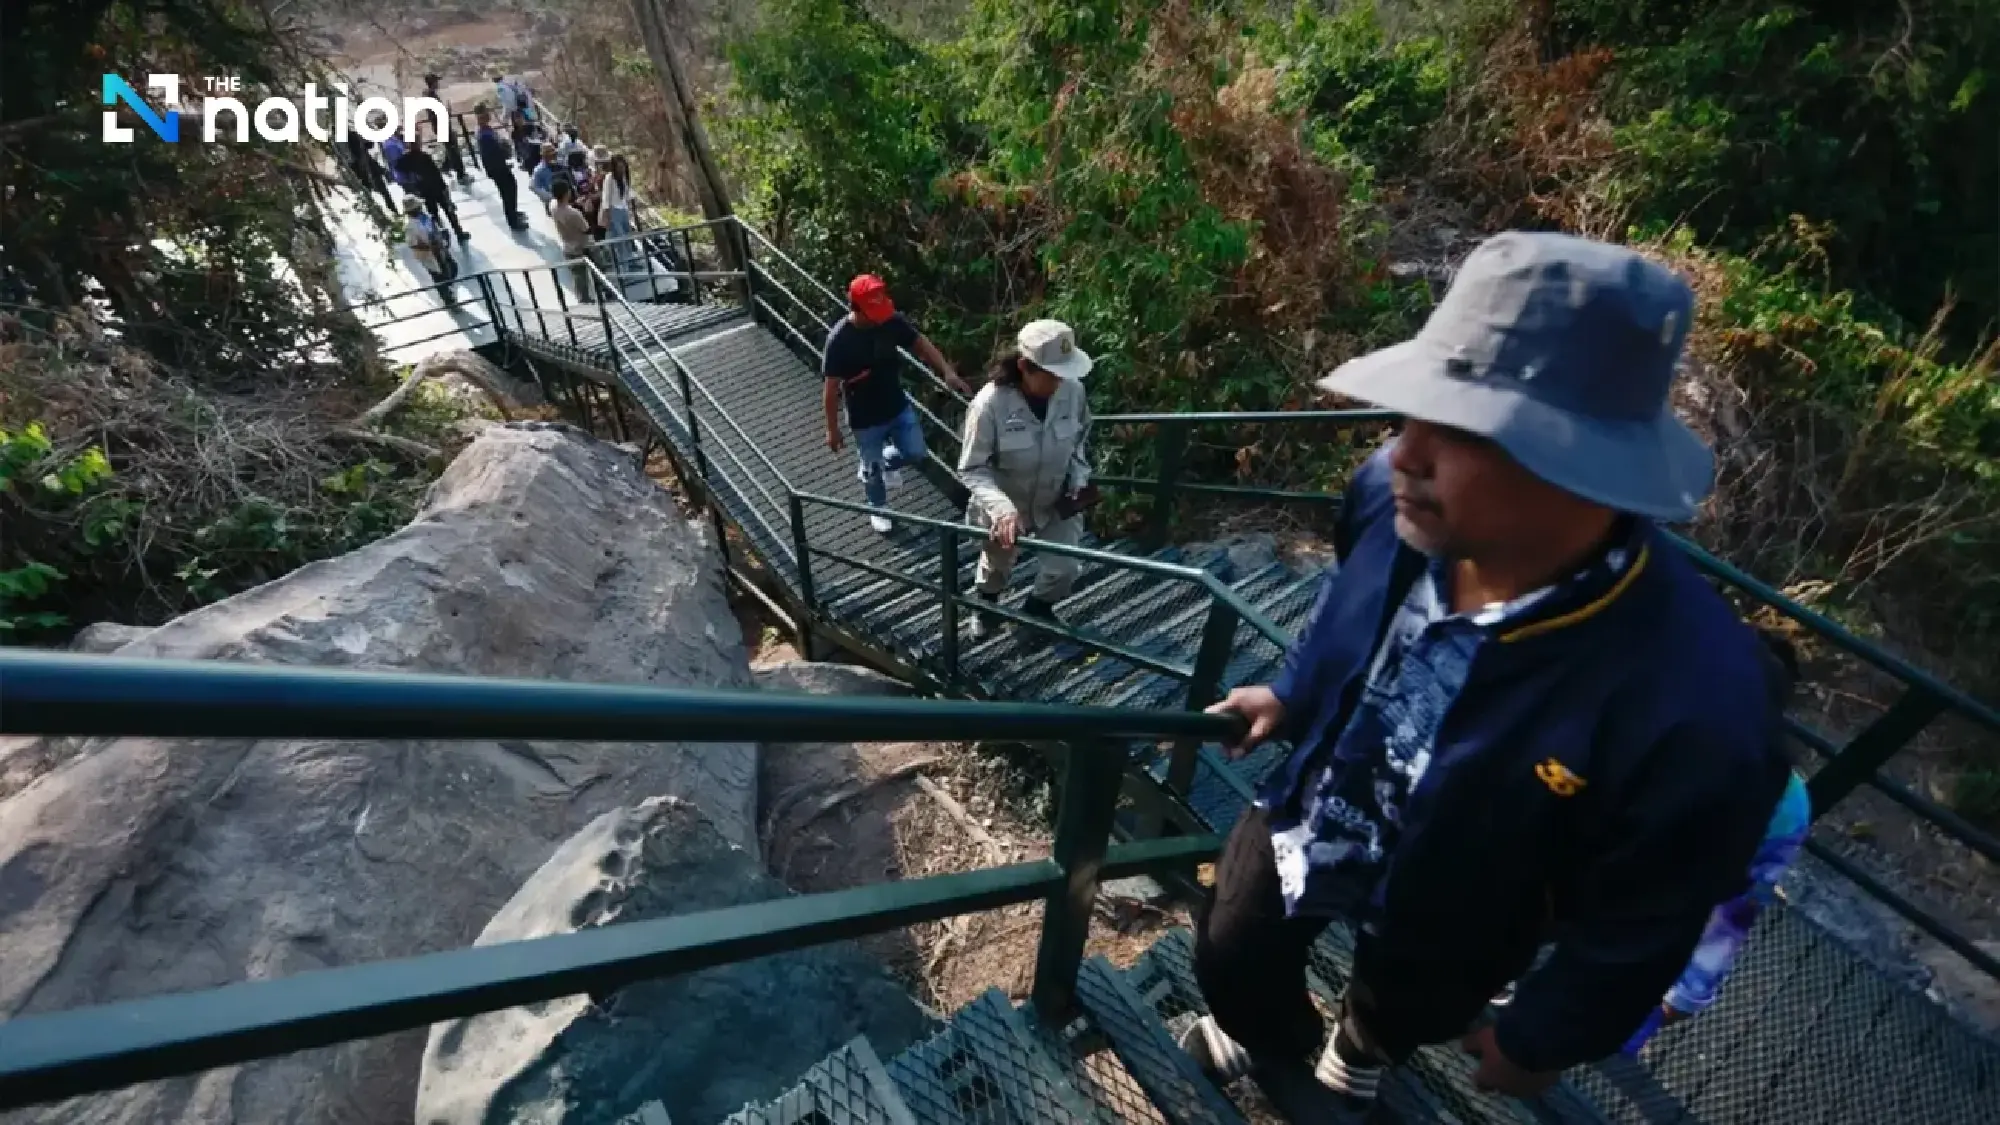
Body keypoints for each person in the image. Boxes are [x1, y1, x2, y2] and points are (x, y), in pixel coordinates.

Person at [1178, 231, 1792, 1122]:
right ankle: (1273, 1031)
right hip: (1322, 803)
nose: (1405, 452)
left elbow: (1649, 911)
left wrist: (1544, 1034)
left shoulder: (1699, 703)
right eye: (1413, 410)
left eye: (1462, 428)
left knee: (1404, 1002)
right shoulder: (1391, 502)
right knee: (1232, 952)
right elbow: (1346, 606)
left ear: (1590, 468)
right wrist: (1294, 690)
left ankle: (1357, 1048)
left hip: (1466, 898)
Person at [955, 321, 1099, 639]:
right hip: (1005, 505)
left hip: (1055, 497)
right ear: (1024, 367)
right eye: (1051, 375)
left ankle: (1038, 609)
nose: (1059, 382)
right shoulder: (989, 406)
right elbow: (972, 468)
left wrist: (1078, 477)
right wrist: (1001, 509)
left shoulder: (1072, 390)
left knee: (1067, 566)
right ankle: (986, 606)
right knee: (997, 565)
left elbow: (1079, 438)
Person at [821, 275, 969, 534]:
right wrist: (832, 429)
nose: (880, 316)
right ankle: (877, 506)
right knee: (872, 468)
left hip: (896, 404)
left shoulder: (890, 322)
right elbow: (831, 388)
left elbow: (919, 342)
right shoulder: (839, 341)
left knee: (916, 452)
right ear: (856, 308)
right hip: (864, 417)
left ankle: (882, 463)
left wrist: (946, 371)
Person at [392, 139, 469, 244]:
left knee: (435, 214)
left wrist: (410, 181)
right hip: (433, 189)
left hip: (425, 190)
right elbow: (436, 174)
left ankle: (444, 235)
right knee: (446, 212)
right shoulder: (421, 157)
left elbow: (398, 171)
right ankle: (456, 233)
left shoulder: (407, 159)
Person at [474, 109, 528, 230]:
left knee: (511, 188)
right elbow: (491, 154)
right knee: (507, 192)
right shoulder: (484, 136)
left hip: (499, 166)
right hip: (497, 168)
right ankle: (513, 221)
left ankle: (514, 212)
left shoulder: (485, 131)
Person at [422, 73, 471, 184]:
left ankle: (446, 167)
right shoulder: (431, 96)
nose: (438, 83)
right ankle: (461, 175)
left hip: (440, 126)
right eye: (436, 81)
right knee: (453, 150)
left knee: (451, 148)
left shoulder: (429, 95)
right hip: (442, 126)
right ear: (433, 82)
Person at [551, 181, 596, 300]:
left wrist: (575, 204)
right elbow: (586, 229)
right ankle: (604, 293)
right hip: (581, 246)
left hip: (567, 246)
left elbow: (563, 207)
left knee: (578, 276)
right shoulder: (574, 214)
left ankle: (583, 299)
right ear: (567, 193)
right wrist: (585, 210)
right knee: (595, 270)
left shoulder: (553, 208)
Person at [402, 194, 457, 285]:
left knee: (450, 269)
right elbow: (412, 244)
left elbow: (434, 228)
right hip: (429, 255)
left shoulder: (426, 217)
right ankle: (447, 295)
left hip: (440, 250)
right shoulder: (409, 226)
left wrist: (441, 236)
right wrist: (430, 246)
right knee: (439, 278)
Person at [598, 153, 635, 281]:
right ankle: (624, 271)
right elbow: (606, 198)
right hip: (614, 211)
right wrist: (607, 217)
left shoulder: (624, 177)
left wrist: (630, 210)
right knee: (620, 240)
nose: (621, 169)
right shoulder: (609, 178)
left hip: (623, 210)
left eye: (623, 166)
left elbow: (627, 195)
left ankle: (629, 263)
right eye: (619, 167)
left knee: (628, 237)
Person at [343, 133, 395, 213]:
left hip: (363, 169)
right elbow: (368, 145)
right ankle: (387, 211)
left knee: (379, 193)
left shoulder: (349, 136)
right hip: (363, 169)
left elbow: (369, 145)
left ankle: (387, 211)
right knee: (380, 193)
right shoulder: (350, 136)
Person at [530, 142, 562, 211]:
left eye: (553, 154)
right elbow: (533, 187)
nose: (552, 156)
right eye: (549, 155)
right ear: (544, 156)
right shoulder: (539, 170)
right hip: (552, 201)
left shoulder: (560, 164)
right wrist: (550, 197)